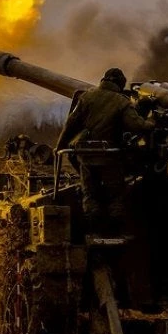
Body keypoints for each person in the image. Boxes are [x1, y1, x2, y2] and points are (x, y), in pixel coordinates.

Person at [56, 68, 156, 237]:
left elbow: (71, 124)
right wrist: (152, 121)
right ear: (120, 83)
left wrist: (60, 146)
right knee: (115, 195)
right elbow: (137, 126)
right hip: (109, 157)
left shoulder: (86, 97)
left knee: (90, 194)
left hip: (86, 156)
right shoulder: (121, 102)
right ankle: (117, 232)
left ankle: (94, 231)